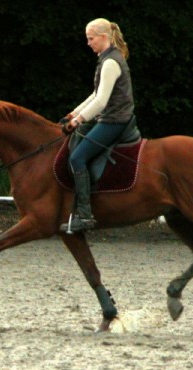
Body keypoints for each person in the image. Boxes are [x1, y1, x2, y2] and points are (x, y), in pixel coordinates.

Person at [60, 18, 140, 233]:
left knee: (77, 157)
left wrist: (78, 120)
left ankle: (85, 216)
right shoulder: (107, 59)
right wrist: (74, 113)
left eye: (91, 38)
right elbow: (96, 95)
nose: (88, 43)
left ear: (104, 37)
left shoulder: (111, 62)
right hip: (111, 118)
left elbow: (102, 102)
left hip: (115, 121)